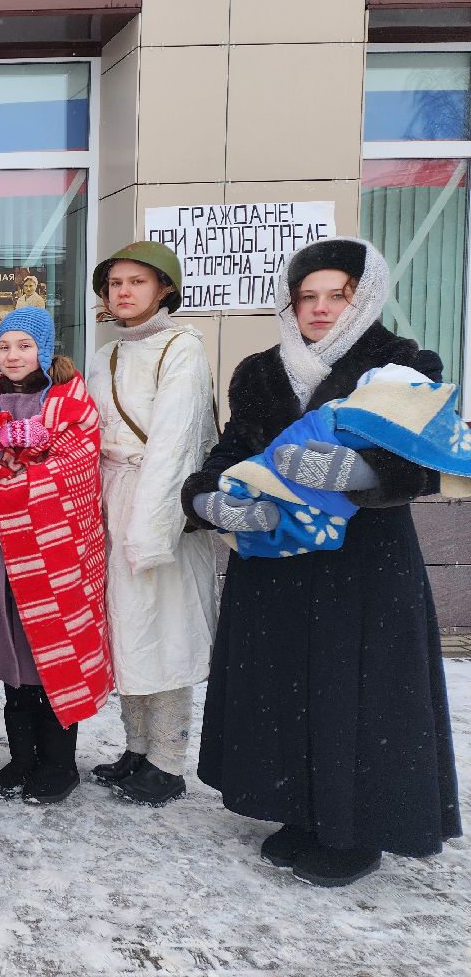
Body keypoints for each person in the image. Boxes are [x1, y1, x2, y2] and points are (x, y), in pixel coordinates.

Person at [182, 236, 461, 888]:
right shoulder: (259, 372)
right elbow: (232, 448)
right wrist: (208, 499)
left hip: (362, 563)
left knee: (353, 692)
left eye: (338, 295)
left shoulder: (401, 364)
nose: (320, 308)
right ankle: (298, 810)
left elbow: (427, 462)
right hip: (274, 557)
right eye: (307, 296)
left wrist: (362, 472)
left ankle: (354, 831)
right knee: (281, 685)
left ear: (365, 299)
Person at [0, 307, 111, 804]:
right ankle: (21, 758)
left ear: (46, 350)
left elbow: (72, 472)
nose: (12, 356)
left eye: (25, 346)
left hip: (55, 553)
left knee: (52, 654)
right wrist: (0, 449)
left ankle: (59, 763)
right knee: (14, 658)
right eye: (5, 346)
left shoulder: (70, 401)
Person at [85, 242, 220, 806]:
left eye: (137, 282)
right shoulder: (106, 354)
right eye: (116, 283)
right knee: (127, 629)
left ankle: (167, 761)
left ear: (164, 288)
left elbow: (174, 442)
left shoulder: (182, 348)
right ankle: (135, 748)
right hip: (111, 499)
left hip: (157, 505)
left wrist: (151, 529)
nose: (123, 292)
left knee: (165, 631)